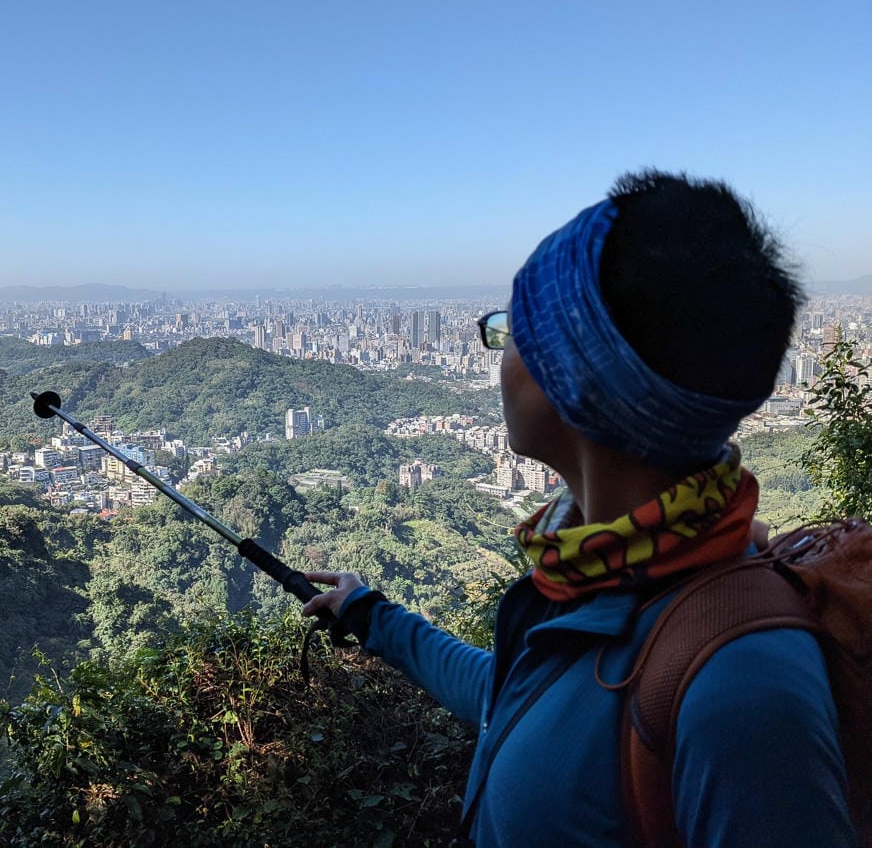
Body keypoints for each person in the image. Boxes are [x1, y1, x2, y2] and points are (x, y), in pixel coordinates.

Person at [302, 171, 857, 846]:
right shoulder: (599, 574)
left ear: (574, 378)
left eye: (511, 328)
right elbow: (526, 703)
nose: (497, 349)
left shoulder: (742, 691)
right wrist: (372, 618)